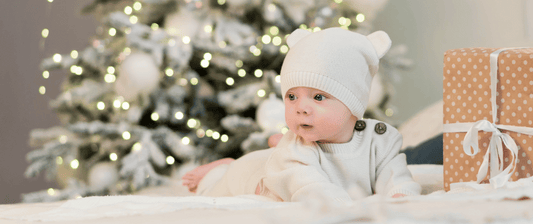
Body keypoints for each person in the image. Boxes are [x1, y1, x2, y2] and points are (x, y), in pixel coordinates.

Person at [182, 28, 421, 203]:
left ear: (353, 103)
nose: (300, 108)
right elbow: (311, 189)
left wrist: (400, 195)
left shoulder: (378, 141)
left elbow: (395, 176)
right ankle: (223, 167)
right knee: (212, 188)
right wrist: (343, 208)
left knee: (278, 149)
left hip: (277, 156)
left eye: (318, 97)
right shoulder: (296, 152)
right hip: (252, 176)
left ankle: (271, 145)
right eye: (292, 97)